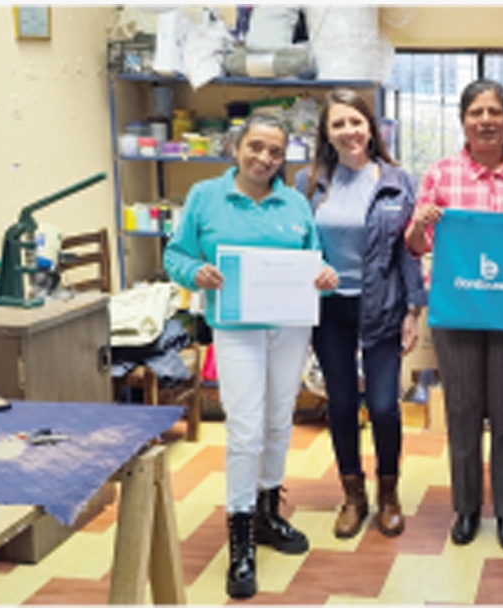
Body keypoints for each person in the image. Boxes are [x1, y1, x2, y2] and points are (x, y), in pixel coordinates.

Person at [163, 113, 338, 599]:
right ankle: (239, 534)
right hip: (236, 328)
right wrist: (195, 272)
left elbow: (315, 258)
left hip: (289, 327)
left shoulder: (296, 203)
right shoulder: (205, 197)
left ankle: (266, 513)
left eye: (275, 152)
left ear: (285, 158)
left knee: (281, 420)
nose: (264, 158)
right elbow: (175, 256)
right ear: (237, 148)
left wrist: (323, 276)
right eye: (256, 147)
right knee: (245, 427)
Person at [405, 78, 503, 552]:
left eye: (494, 112)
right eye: (476, 112)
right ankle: (466, 509)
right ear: (463, 120)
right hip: (458, 312)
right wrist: (421, 224)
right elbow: (414, 245)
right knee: (463, 411)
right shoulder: (441, 173)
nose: (485, 120)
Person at [295, 89, 427, 539]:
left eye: (356, 121)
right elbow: (298, 244)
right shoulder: (309, 182)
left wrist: (414, 308)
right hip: (330, 308)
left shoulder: (396, 181)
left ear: (371, 127)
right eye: (339, 124)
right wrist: (313, 268)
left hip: (383, 303)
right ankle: (353, 495)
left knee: (386, 407)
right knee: (343, 404)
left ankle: (388, 494)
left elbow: (408, 251)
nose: (349, 131)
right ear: (327, 134)